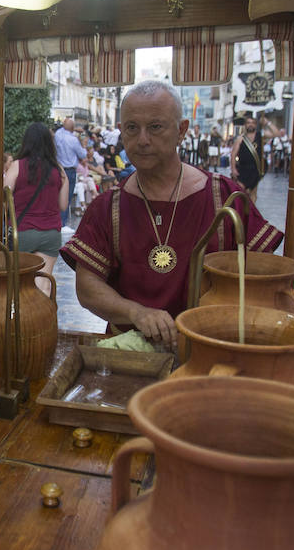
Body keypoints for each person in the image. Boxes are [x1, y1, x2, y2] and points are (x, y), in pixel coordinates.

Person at [60, 80, 282, 350]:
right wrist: (136, 313)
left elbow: (265, 279)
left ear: (181, 130)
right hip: (131, 358)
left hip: (210, 353)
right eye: (132, 128)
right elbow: (87, 286)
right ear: (121, 132)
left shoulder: (225, 198)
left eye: (155, 127)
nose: (142, 139)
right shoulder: (107, 207)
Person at [4, 122, 69, 297]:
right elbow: (63, 205)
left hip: (22, 231)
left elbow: (5, 199)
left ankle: (21, 321)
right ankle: (41, 322)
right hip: (51, 232)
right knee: (44, 283)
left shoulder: (17, 166)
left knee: (21, 283)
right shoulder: (59, 170)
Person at [230, 113, 275, 203]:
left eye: (253, 123)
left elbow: (276, 133)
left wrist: (267, 123)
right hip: (243, 169)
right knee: (241, 193)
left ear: (256, 124)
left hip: (255, 169)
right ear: (245, 125)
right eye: (248, 123)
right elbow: (233, 154)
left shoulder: (261, 136)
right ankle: (241, 213)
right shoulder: (240, 139)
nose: (250, 124)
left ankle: (251, 214)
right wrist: (233, 169)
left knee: (253, 193)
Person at [54, 118, 87, 231]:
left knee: (57, 196)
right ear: (73, 128)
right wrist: (82, 139)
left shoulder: (58, 135)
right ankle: (62, 224)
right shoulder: (73, 140)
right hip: (70, 171)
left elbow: (63, 130)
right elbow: (82, 154)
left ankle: (57, 222)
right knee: (66, 197)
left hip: (58, 169)